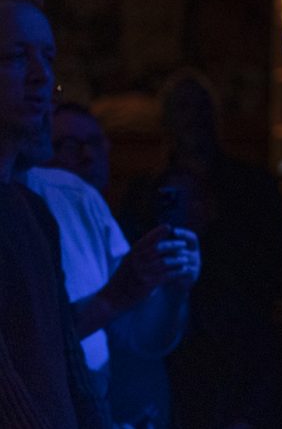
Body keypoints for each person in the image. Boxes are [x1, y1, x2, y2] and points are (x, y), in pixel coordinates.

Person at [120, 69, 282, 429]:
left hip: (239, 342)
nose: (191, 118)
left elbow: (271, 267)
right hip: (172, 344)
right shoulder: (145, 194)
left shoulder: (251, 188)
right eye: (181, 108)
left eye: (199, 108)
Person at [35, 100, 199, 429]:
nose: (88, 155)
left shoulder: (100, 213)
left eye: (95, 143)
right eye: (68, 145)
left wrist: (174, 291)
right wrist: (113, 298)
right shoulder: (35, 202)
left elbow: (142, 338)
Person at [0, 0, 110, 428]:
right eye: (16, 57)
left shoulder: (33, 211)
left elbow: (67, 357)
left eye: (47, 57)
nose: (41, 76)